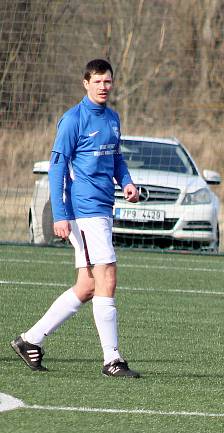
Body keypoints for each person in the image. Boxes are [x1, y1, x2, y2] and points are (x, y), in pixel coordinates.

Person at [11, 59, 141, 378]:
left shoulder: (112, 118)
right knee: (107, 275)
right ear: (85, 83)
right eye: (97, 81)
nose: (103, 86)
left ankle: (30, 340)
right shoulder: (72, 120)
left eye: (107, 81)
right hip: (83, 212)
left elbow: (116, 158)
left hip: (102, 209)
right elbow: (57, 169)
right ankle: (112, 359)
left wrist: (126, 181)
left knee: (86, 286)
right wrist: (60, 214)